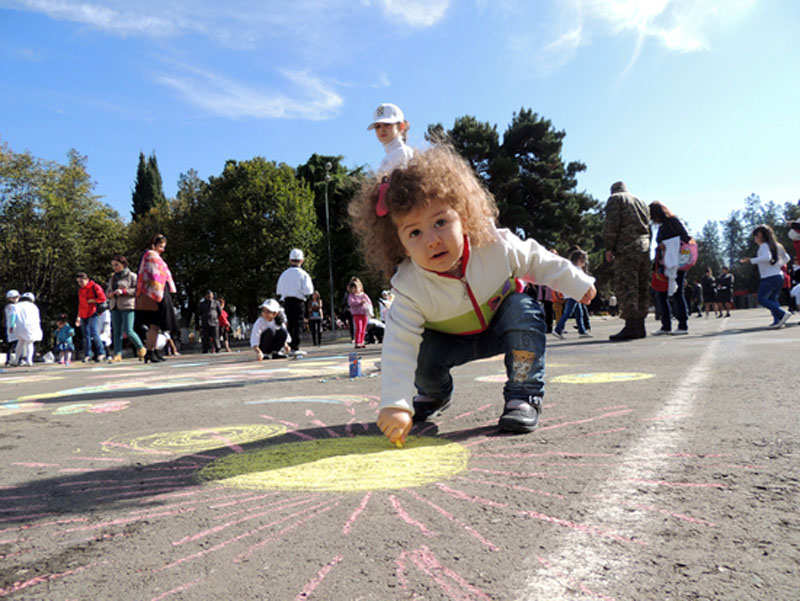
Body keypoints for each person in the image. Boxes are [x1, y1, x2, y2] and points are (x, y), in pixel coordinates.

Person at [348, 145, 595, 446]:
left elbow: (535, 258)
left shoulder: (493, 245)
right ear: (398, 245)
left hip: (500, 327)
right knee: (420, 349)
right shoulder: (409, 286)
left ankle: (523, 394)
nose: (432, 240)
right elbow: (399, 346)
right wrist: (396, 403)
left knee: (523, 308)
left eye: (440, 222)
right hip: (448, 342)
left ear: (463, 216)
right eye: (415, 233)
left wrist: (577, 282)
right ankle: (435, 394)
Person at [603, 181, 651, 341]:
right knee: (641, 286)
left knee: (627, 285)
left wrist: (609, 247)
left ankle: (631, 326)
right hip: (644, 247)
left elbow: (611, 224)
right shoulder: (641, 202)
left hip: (626, 247)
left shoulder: (616, 199)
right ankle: (640, 326)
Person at [649, 201, 691, 336]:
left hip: (677, 262)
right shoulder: (663, 225)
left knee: (677, 293)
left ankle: (683, 326)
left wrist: (666, 244)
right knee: (660, 293)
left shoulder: (673, 222)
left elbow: (686, 238)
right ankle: (666, 325)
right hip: (665, 262)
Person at [135, 233, 178, 363]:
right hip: (156, 293)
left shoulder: (152, 256)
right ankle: (151, 351)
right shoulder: (150, 255)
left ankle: (152, 351)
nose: (162, 249)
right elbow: (153, 275)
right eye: (160, 246)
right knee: (155, 323)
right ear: (153, 245)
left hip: (157, 291)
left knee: (155, 325)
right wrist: (158, 295)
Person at [740, 224, 791, 329]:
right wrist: (778, 265)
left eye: (755, 237)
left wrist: (751, 260)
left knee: (762, 298)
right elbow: (787, 258)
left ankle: (782, 314)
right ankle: (778, 320)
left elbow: (766, 257)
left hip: (769, 277)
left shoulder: (764, 246)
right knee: (773, 299)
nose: (755, 240)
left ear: (760, 236)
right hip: (778, 275)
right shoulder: (777, 245)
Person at [107, 255, 146, 362]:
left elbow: (138, 290)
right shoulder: (112, 278)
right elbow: (108, 291)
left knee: (128, 330)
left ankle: (141, 348)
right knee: (116, 332)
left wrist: (124, 292)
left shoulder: (132, 276)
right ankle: (118, 354)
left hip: (127, 305)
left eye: (117, 265)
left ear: (123, 264)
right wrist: (110, 294)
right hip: (114, 306)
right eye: (113, 265)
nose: (114, 267)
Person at [276, 249, 314, 357]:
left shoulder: (284, 274)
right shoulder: (303, 274)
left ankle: (288, 344)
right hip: (298, 301)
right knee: (298, 323)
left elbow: (279, 290)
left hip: (287, 300)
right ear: (302, 260)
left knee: (289, 323)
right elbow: (308, 290)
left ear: (290, 260)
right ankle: (295, 346)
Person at [553, 249, 593, 339]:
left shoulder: (576, 268)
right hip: (572, 293)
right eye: (583, 260)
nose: (584, 262)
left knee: (579, 312)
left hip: (575, 293)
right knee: (568, 312)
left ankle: (582, 331)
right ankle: (557, 329)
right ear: (578, 260)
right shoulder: (572, 269)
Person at [368, 102, 415, 175]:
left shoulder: (403, 151)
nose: (382, 129)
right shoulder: (385, 159)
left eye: (387, 124)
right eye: (377, 126)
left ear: (401, 126)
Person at [75, 272, 108, 362]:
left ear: (87, 279)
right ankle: (87, 354)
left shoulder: (94, 287)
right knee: (85, 335)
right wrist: (78, 316)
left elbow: (103, 298)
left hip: (93, 312)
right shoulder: (81, 290)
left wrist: (93, 300)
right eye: (78, 282)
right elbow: (80, 304)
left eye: (81, 281)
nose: (80, 283)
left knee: (94, 332)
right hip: (83, 313)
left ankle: (101, 353)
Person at [13, 292, 42, 366]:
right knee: (30, 343)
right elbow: (37, 319)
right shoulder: (34, 306)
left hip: (19, 326)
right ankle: (29, 360)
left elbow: (13, 316)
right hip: (30, 326)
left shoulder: (17, 306)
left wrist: (11, 325)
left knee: (20, 342)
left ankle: (16, 360)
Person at [347, 277, 373, 349]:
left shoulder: (363, 295)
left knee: (364, 329)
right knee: (359, 328)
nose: (355, 290)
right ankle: (357, 342)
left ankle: (362, 341)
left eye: (356, 288)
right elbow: (351, 303)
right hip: (356, 314)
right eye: (353, 288)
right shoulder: (351, 296)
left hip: (364, 313)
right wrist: (360, 302)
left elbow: (369, 302)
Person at [4, 289, 20, 366]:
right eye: (14, 297)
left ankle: (9, 360)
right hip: (14, 327)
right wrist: (12, 325)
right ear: (9, 298)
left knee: (10, 344)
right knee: (16, 344)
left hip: (10, 326)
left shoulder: (7, 307)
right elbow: (13, 316)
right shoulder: (13, 306)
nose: (16, 299)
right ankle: (15, 360)